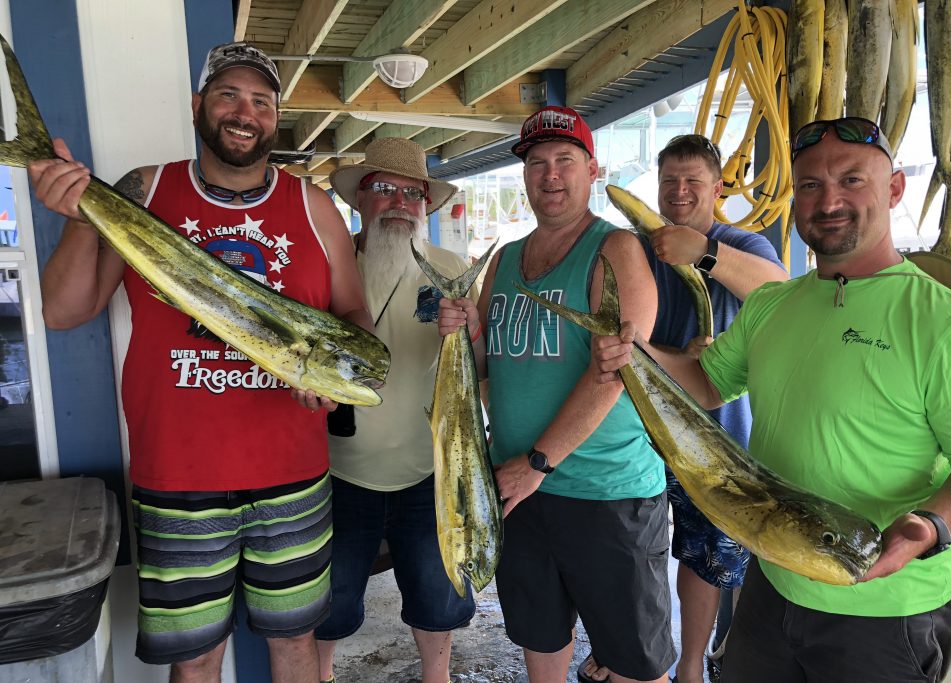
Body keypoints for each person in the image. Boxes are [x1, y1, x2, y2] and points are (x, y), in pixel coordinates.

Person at [592, 117, 951, 683]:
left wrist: (931, 525)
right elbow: (704, 383)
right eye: (812, 185)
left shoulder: (950, 324)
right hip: (770, 590)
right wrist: (631, 352)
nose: (830, 200)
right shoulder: (774, 304)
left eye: (852, 180)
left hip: (885, 610)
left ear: (894, 188)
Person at [28, 42, 372, 683]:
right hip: (178, 474)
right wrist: (80, 219)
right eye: (228, 95)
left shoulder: (314, 206)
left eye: (261, 102)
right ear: (198, 106)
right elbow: (65, 311)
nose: (245, 113)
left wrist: (330, 381)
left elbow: (353, 315)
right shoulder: (143, 188)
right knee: (196, 658)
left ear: (276, 117)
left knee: (296, 644)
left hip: (293, 473)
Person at [438, 105, 675, 683]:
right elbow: (485, 365)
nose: (550, 175)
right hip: (520, 488)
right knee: (539, 636)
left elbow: (618, 374)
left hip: (604, 491)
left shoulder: (615, 249)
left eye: (565, 161)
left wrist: (539, 462)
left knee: (633, 659)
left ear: (592, 170)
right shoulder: (505, 260)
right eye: (537, 163)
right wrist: (462, 333)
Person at [579, 134, 788, 683]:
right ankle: (616, 647)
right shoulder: (632, 248)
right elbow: (613, 332)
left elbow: (781, 292)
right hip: (638, 427)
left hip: (716, 434)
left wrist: (703, 253)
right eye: (669, 180)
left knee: (705, 557)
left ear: (716, 188)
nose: (679, 191)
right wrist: (679, 356)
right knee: (622, 546)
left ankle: (691, 667)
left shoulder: (744, 245)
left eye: (693, 181)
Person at [312, 137, 475, 683]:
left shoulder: (454, 270)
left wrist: (470, 331)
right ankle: (323, 675)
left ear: (426, 204)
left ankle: (438, 677)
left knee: (438, 595)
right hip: (335, 470)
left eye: (413, 192)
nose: (400, 201)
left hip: (427, 469)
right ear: (360, 197)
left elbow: (477, 368)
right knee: (326, 601)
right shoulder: (327, 265)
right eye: (384, 189)